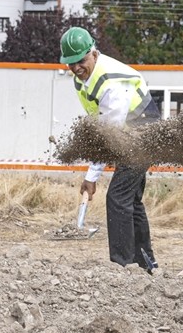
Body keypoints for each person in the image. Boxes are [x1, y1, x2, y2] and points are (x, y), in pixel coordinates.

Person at [61, 26, 160, 272]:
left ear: (93, 52)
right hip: (127, 135)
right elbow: (99, 124)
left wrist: (91, 176)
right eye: (70, 63)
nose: (75, 68)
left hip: (142, 135)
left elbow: (109, 133)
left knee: (118, 198)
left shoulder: (112, 83)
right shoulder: (82, 79)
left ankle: (123, 265)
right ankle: (145, 263)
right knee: (131, 200)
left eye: (80, 61)